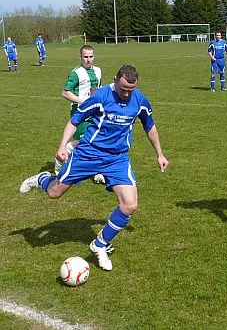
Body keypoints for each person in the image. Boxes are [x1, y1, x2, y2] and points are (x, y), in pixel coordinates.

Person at [19, 65, 169, 271]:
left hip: (117, 159)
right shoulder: (100, 97)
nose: (127, 93)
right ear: (115, 79)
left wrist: (159, 153)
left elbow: (149, 125)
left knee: (130, 204)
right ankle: (42, 179)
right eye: (124, 88)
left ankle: (99, 244)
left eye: (131, 90)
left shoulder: (139, 100)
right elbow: (75, 121)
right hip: (88, 154)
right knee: (54, 193)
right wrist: (63, 146)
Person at [54, 45, 104, 185]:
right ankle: (60, 157)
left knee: (97, 140)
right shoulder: (76, 73)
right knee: (80, 142)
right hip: (80, 112)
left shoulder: (98, 71)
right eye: (85, 57)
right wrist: (83, 101)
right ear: (80, 57)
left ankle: (97, 172)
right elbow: (65, 92)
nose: (88, 60)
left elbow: (99, 89)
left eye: (91, 56)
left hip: (96, 111)